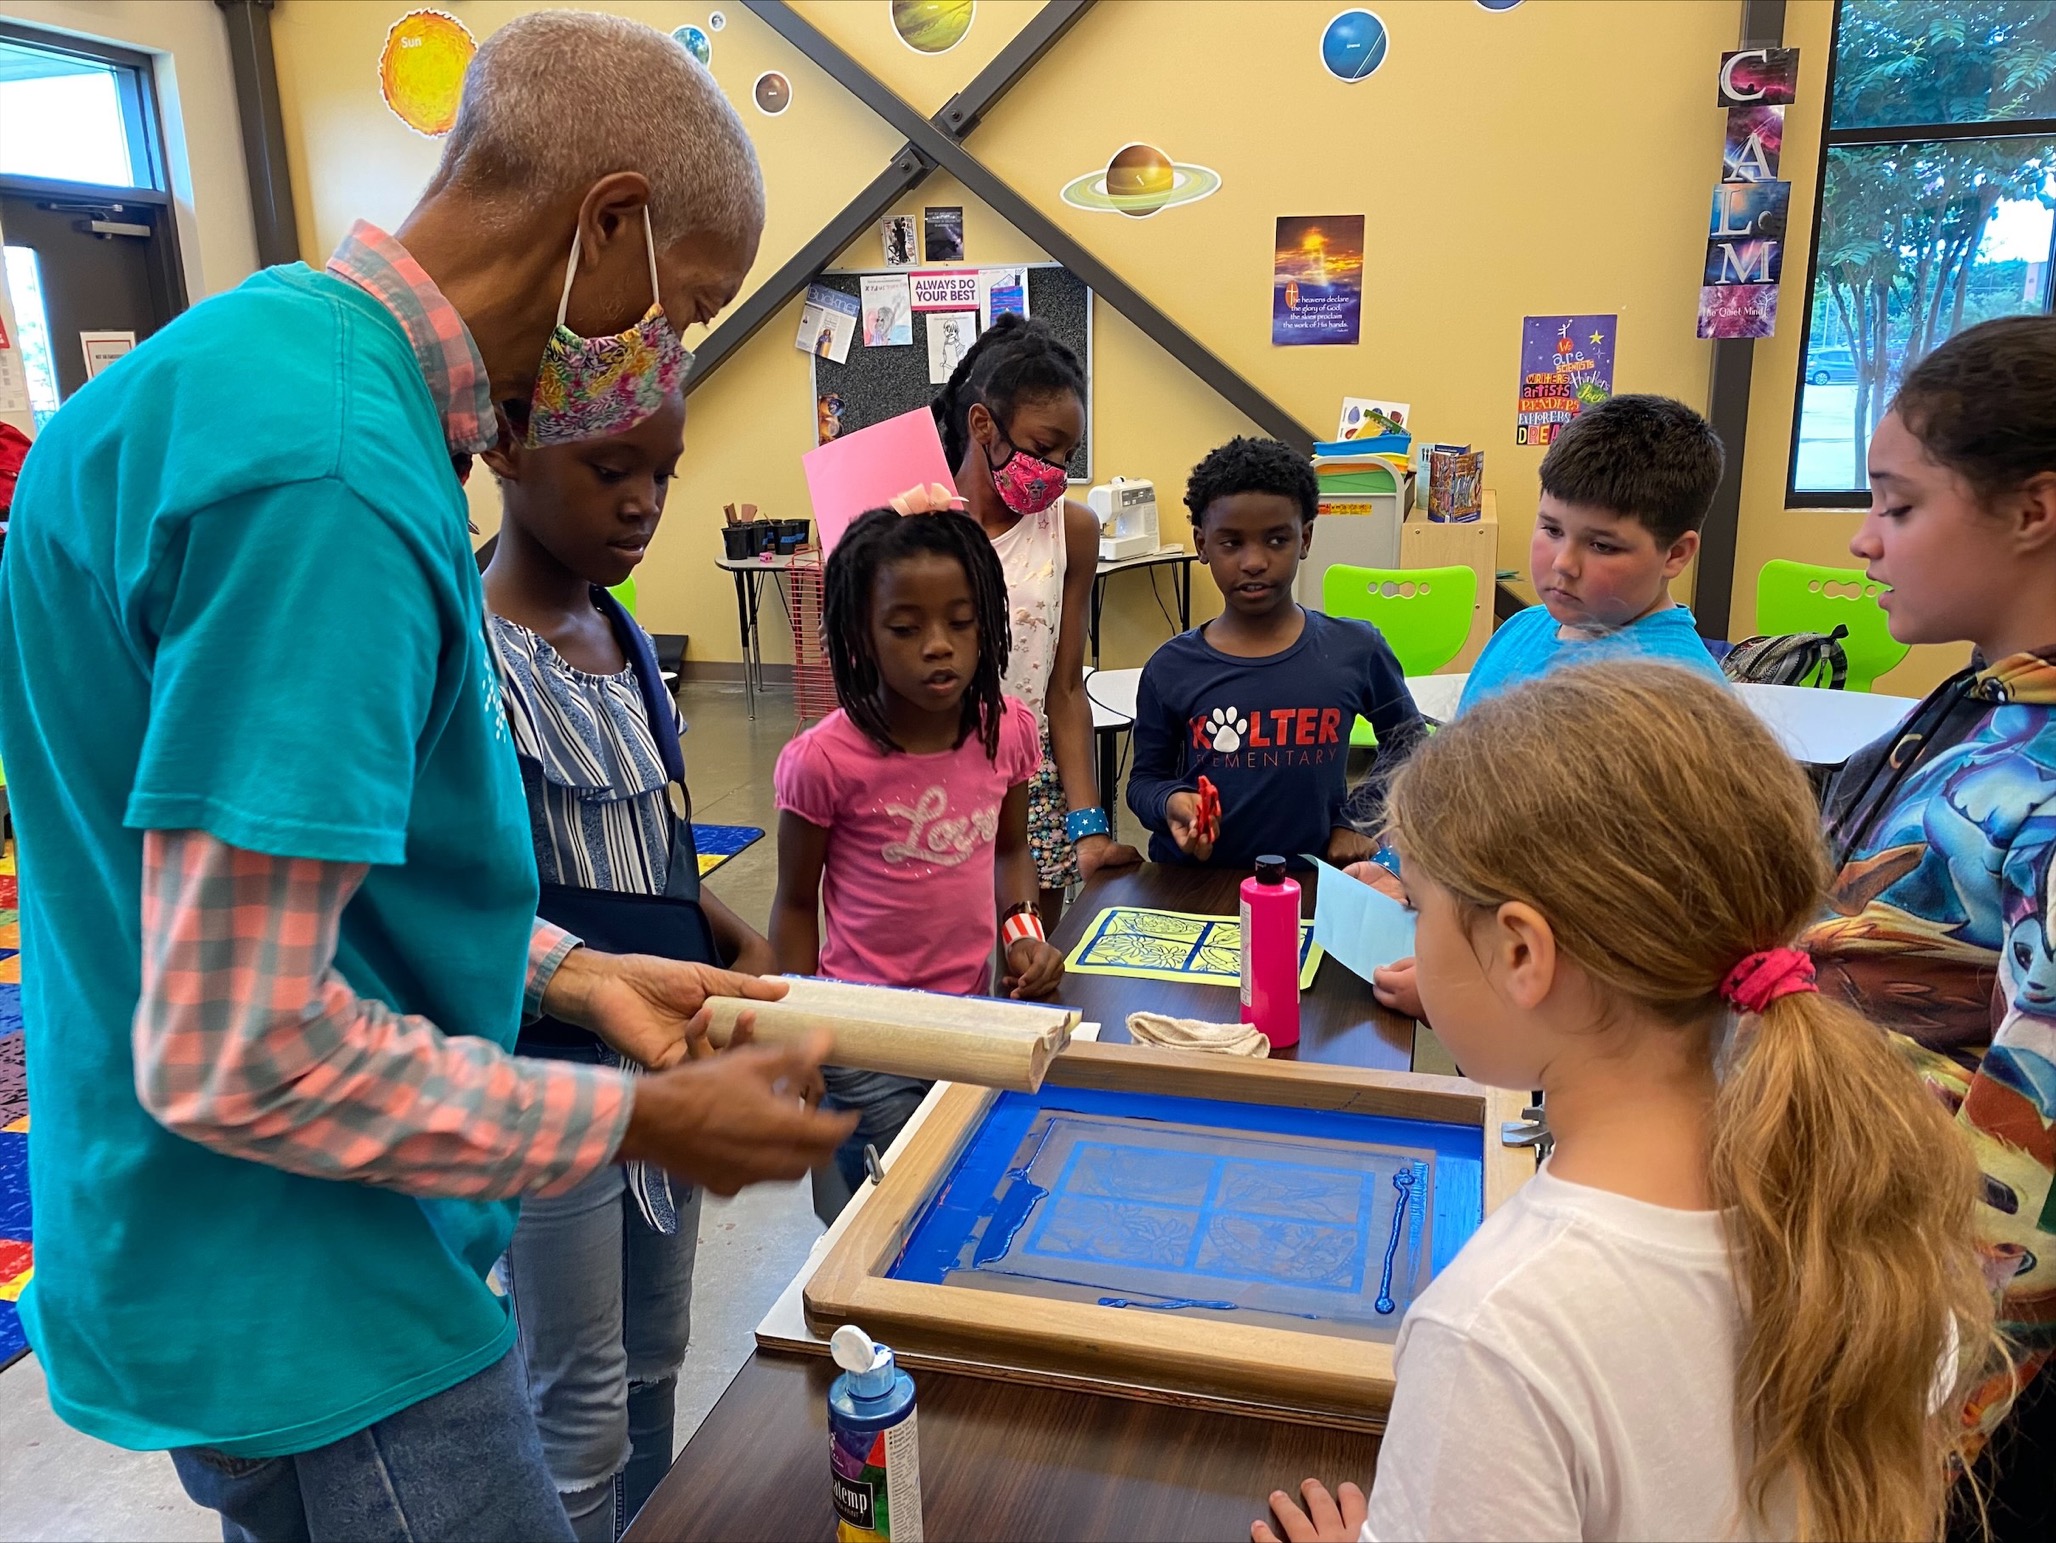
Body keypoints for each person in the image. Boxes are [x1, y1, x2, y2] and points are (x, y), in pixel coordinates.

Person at [0, 13, 854, 1541]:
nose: (669, 361)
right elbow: (247, 1045)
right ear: (609, 226)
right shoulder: (329, 473)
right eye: (687, 308)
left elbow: (271, 878)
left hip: (192, 1249)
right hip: (320, 1284)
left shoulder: (235, 367)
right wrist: (633, 1122)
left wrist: (576, 971)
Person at [1255, 663, 2003, 1543]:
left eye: (1419, 907)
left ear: (1522, 952)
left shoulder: (1494, 1332)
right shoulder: (1869, 1207)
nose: (1414, 933)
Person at [481, 389, 775, 1540]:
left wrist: (725, 928)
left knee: (655, 1354)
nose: (644, 501)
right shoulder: (471, 654)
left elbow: (651, 848)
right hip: (546, 1077)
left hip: (665, 1060)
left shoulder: (628, 639)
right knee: (575, 1401)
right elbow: (459, 894)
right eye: (611, 470)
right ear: (507, 449)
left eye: (662, 472)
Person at [1802, 314, 2056, 1540]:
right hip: (1838, 1251)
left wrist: (1900, 1424)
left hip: (1929, 1386)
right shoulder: (1983, 702)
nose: (1863, 539)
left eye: (1897, 506)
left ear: (2032, 510)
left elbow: (2028, 1169)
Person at [771, 507, 1064, 1221]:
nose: (939, 646)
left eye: (961, 622)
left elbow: (1010, 849)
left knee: (957, 1194)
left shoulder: (1005, 731)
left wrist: (1024, 933)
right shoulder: (823, 761)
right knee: (885, 1213)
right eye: (905, 628)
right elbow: (795, 904)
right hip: (862, 1037)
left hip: (968, 1017)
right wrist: (794, 1037)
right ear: (860, 635)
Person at [1127, 436, 1425, 870]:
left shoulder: (1356, 649)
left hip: (1310, 879)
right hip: (1198, 883)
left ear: (1305, 539)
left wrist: (1358, 818)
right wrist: (1172, 802)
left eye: (1276, 540)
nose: (1254, 561)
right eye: (1232, 543)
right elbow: (1144, 781)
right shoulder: (1171, 667)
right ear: (1202, 545)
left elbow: (1409, 742)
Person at [933, 315, 1140, 921]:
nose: (1055, 469)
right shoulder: (914, 523)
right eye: (1044, 448)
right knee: (942, 954)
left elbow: (1066, 688)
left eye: (1068, 455)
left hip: (1032, 776)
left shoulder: (1072, 529)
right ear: (983, 425)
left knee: (1029, 957)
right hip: (932, 772)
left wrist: (1089, 829)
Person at [1456, 393, 1729, 714]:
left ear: (1675, 554)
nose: (1563, 563)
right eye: (1552, 530)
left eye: (1602, 545)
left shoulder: (1677, 698)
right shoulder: (1521, 628)